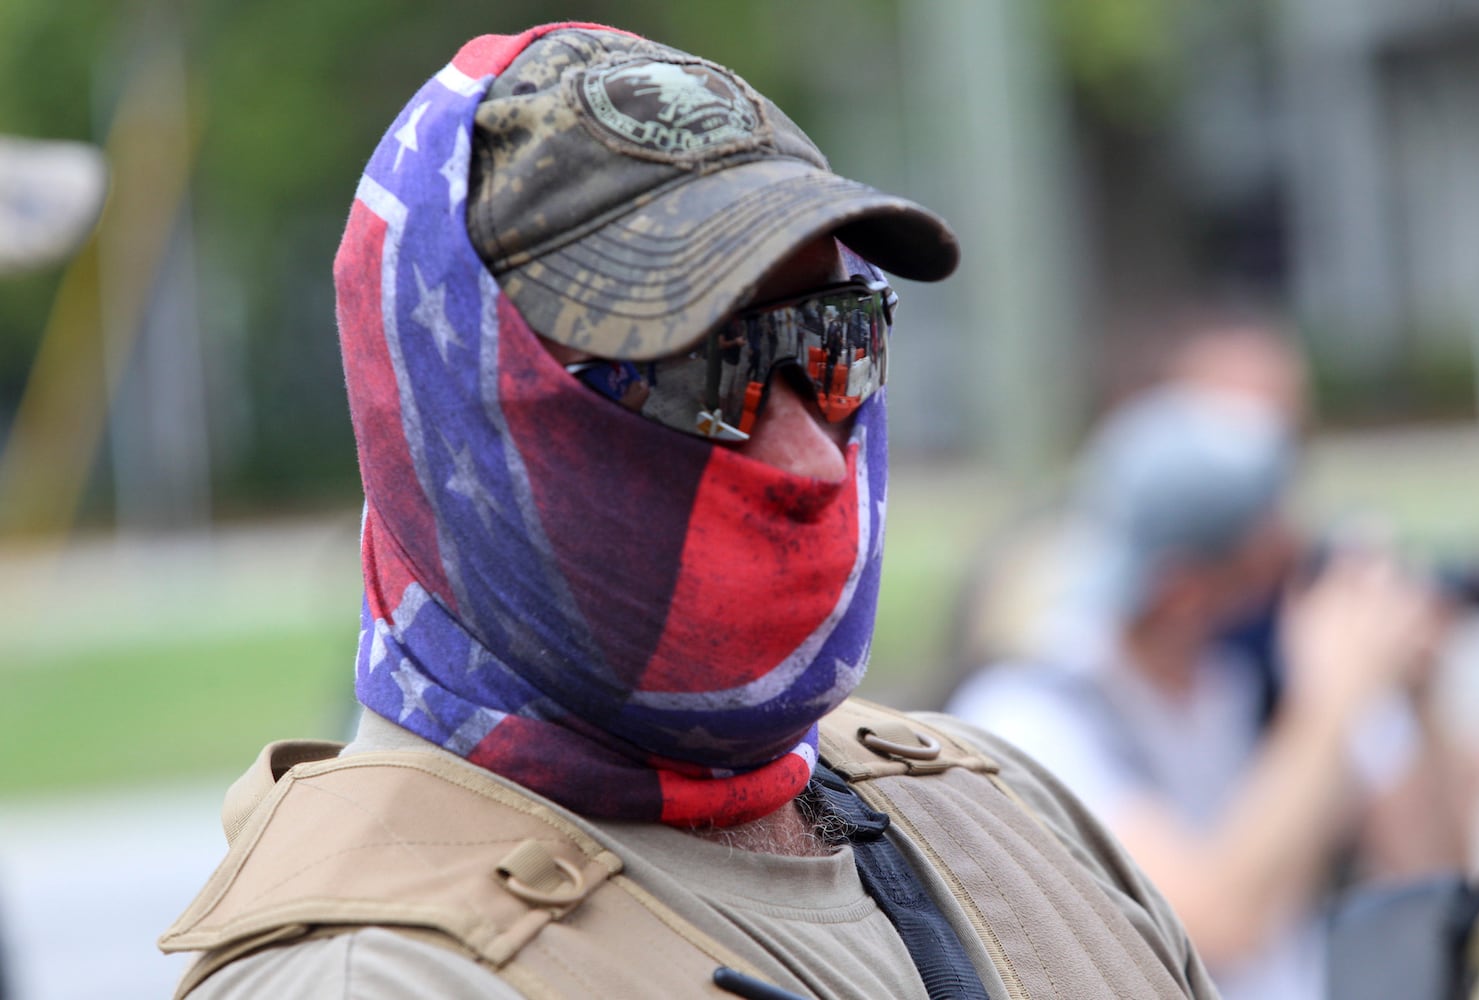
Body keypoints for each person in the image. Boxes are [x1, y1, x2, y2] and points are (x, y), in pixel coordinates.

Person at [159, 23, 1219, 999]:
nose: (808, 453)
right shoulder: (378, 976)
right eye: (699, 368)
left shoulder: (1011, 807)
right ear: (455, 404)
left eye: (830, 345)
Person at [945, 368, 1468, 1000]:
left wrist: (1417, 687)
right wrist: (1331, 703)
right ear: (1184, 593)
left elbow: (1432, 876)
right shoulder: (1031, 715)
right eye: (1268, 566)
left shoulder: (1259, 672)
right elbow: (1214, 925)